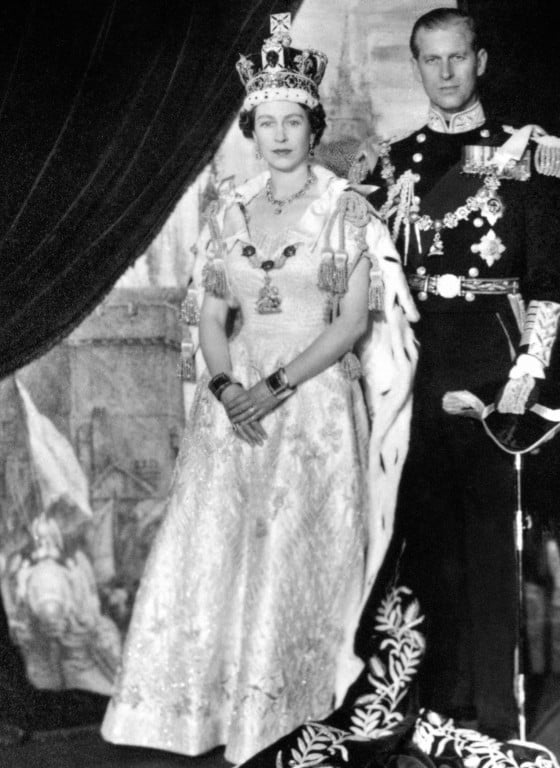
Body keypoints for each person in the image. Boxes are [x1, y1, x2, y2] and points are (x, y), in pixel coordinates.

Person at [100, 15, 418, 764]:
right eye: (266, 122)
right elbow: (211, 314)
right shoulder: (228, 210)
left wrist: (274, 385)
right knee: (216, 552)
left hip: (309, 405)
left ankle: (288, 715)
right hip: (233, 406)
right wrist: (221, 383)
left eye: (293, 121)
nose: (279, 135)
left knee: (291, 560)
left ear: (314, 127)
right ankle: (197, 715)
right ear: (252, 128)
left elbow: (347, 323)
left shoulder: (345, 210)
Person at [356, 7, 560, 739]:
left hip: (489, 352)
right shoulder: (392, 162)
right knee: (425, 538)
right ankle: (434, 713)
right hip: (414, 357)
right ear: (418, 66)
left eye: (457, 58)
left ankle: (493, 718)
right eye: (431, 60)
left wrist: (529, 370)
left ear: (479, 61)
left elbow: (548, 281)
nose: (445, 73)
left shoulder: (525, 154)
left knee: (489, 536)